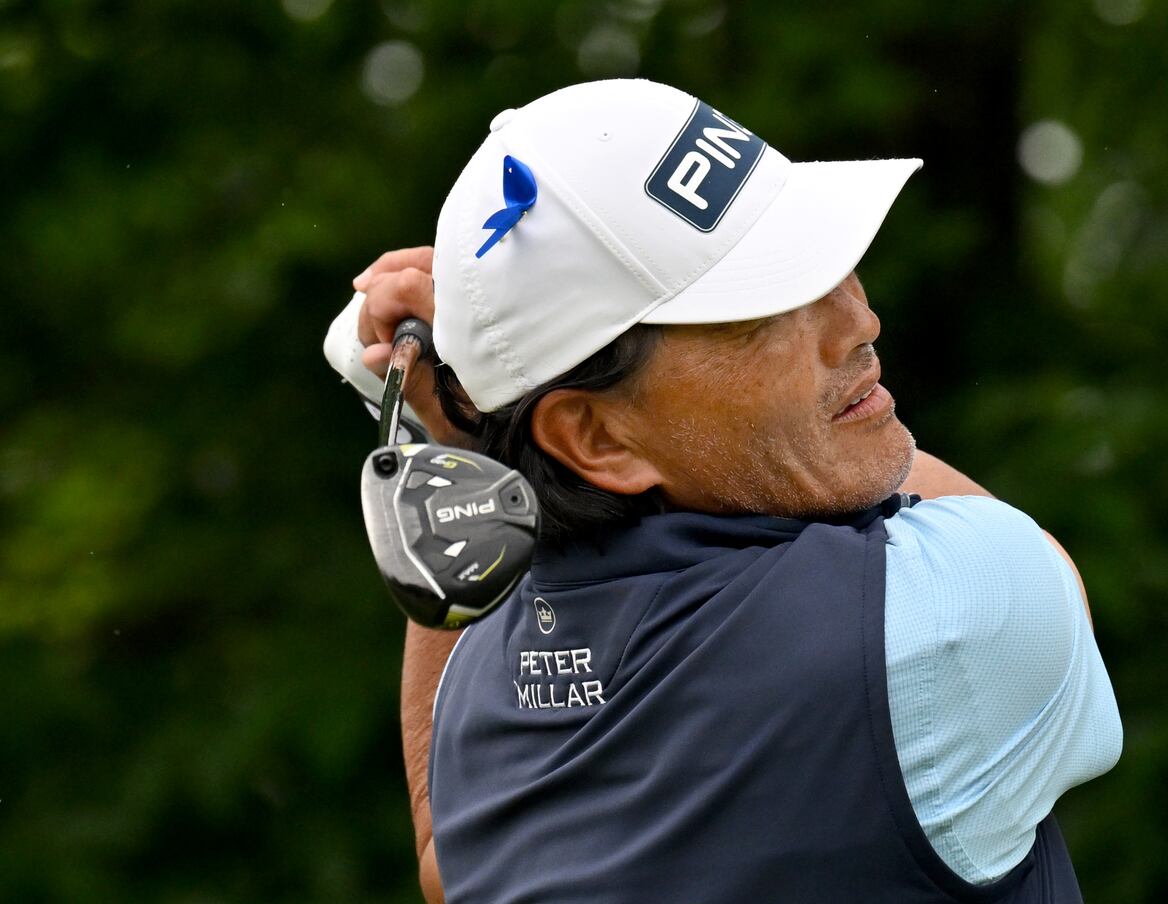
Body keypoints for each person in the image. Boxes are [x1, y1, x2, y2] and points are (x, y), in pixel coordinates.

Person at [325, 79, 1122, 904]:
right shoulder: (936, 626)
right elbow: (1048, 576)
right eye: (761, 311)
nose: (857, 321)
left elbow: (445, 857)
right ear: (595, 437)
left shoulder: (485, 678)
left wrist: (467, 442)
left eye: (815, 258)